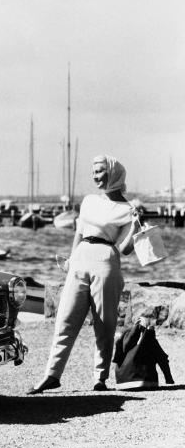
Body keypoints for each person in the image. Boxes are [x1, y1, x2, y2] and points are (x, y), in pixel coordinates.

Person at [29, 155, 139, 394]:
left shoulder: (127, 210)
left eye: (100, 171)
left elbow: (125, 249)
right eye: (94, 172)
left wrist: (136, 227)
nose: (95, 176)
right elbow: (79, 233)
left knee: (104, 322)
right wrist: (70, 261)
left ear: (114, 173)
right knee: (65, 319)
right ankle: (52, 375)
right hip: (80, 258)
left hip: (106, 259)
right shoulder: (89, 201)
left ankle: (100, 378)